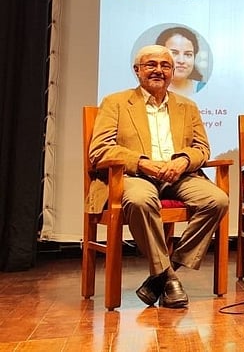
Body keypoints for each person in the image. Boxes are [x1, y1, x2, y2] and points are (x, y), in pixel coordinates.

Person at [87, 45, 228, 308]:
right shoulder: (115, 102)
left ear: (173, 72)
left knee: (217, 200)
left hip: (178, 175)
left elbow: (202, 149)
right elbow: (100, 150)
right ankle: (169, 278)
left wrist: (184, 160)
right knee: (140, 200)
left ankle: (161, 275)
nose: (158, 71)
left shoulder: (187, 105)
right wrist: (143, 163)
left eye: (165, 66)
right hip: (134, 175)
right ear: (137, 70)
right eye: (151, 65)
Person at [155, 26, 207, 96]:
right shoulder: (146, 90)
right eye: (174, 53)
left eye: (188, 54)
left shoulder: (206, 89)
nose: (181, 60)